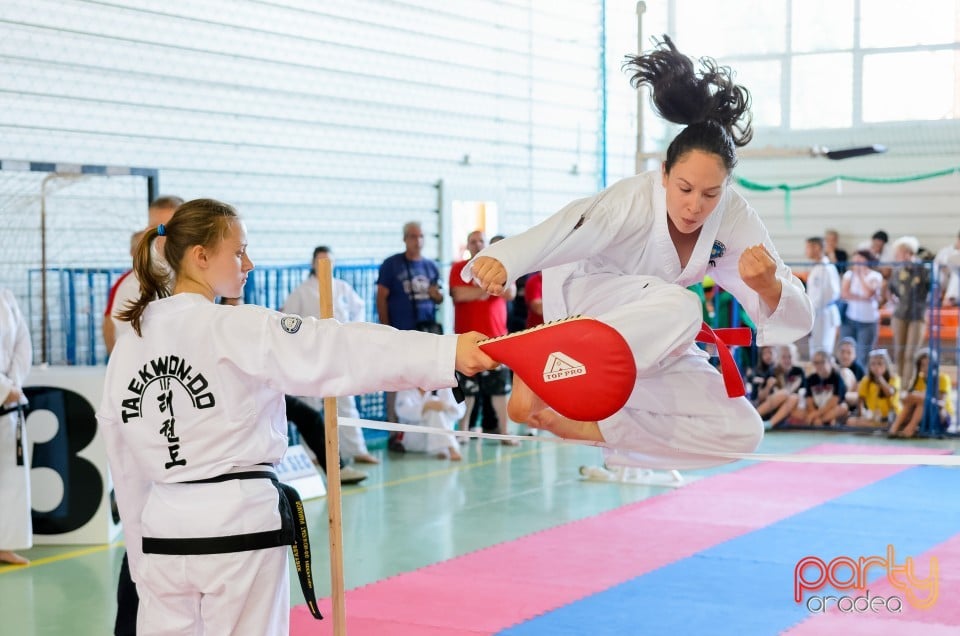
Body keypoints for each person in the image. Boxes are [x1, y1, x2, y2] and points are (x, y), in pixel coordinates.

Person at [97, 199, 496, 636]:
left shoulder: (131, 341)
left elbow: (124, 459)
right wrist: (443, 352)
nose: (248, 262)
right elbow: (335, 348)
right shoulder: (232, 326)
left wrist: (139, 556)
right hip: (238, 529)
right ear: (201, 256)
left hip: (163, 532)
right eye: (239, 251)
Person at [462, 36, 814, 469]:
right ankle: (553, 367)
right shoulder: (633, 198)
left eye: (710, 194)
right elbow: (570, 224)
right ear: (664, 174)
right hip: (587, 309)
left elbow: (791, 312)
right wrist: (508, 259)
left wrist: (770, 287)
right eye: (684, 188)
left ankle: (595, 426)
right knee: (684, 305)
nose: (694, 205)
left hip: (648, 339)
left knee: (742, 428)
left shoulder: (735, 216)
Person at [282, 246, 378, 464]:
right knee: (313, 405)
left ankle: (357, 449)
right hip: (312, 354)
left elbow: (359, 310)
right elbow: (288, 320)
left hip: (339, 352)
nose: (325, 264)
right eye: (320, 260)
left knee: (346, 403)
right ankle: (314, 453)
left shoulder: (343, 288)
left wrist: (353, 333)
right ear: (313, 263)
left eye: (329, 261)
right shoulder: (302, 291)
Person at [448, 230, 518, 444]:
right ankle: (464, 430)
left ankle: (504, 432)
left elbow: (510, 292)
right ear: (467, 246)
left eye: (481, 241)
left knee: (499, 389)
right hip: (467, 339)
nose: (477, 245)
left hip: (496, 337)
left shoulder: (498, 267)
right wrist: (486, 290)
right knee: (468, 389)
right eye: (473, 242)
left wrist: (481, 291)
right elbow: (459, 294)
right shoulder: (459, 269)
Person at [376, 221, 444, 430]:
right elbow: (381, 297)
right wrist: (386, 328)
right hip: (400, 331)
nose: (418, 241)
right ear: (405, 239)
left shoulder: (431, 266)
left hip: (424, 332)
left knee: (422, 377)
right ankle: (395, 427)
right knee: (395, 378)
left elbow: (439, 297)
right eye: (413, 237)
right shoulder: (392, 265)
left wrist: (436, 295)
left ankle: (423, 424)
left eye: (421, 236)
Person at [106, 196, 184, 355]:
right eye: (158, 229)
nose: (163, 236)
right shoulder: (133, 284)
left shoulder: (197, 271)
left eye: (171, 229)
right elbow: (121, 335)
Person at [0, 287, 32, 565]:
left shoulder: (6, 295)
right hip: (4, 393)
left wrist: (14, 383)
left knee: (10, 476)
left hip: (8, 402)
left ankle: (4, 544)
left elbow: (23, 342)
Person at [888, 236, 930, 383]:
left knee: (910, 354)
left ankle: (907, 386)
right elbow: (891, 289)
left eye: (899, 253)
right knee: (899, 351)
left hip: (917, 315)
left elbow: (931, 290)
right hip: (900, 314)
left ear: (908, 252)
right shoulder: (897, 271)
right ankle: (898, 385)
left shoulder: (924, 270)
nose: (897, 257)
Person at [887, 348, 954, 438]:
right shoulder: (918, 379)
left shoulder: (942, 378)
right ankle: (895, 429)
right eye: (923, 365)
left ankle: (908, 429)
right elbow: (907, 399)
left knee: (921, 400)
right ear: (919, 367)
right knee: (916, 401)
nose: (926, 368)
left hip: (940, 416)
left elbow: (942, 403)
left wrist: (923, 397)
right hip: (923, 414)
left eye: (929, 364)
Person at [394, 387, 466, 460]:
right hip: (415, 439)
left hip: (436, 436)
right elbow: (402, 411)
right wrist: (426, 407)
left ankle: (443, 447)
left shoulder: (444, 387)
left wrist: (446, 407)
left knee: (434, 406)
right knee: (433, 406)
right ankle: (450, 448)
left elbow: (460, 411)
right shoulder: (406, 389)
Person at [839, 249, 883, 367]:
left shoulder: (875, 276)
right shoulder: (849, 275)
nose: (857, 262)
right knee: (846, 350)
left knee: (863, 354)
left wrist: (861, 275)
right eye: (855, 259)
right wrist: (864, 298)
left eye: (860, 259)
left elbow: (868, 292)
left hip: (868, 321)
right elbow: (844, 294)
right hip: (850, 318)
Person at [804, 236, 841, 359]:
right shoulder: (818, 267)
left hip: (823, 314)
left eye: (808, 247)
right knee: (815, 349)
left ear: (817, 247)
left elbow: (825, 296)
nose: (806, 251)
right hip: (816, 313)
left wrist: (810, 313)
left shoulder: (826, 268)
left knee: (823, 350)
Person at [846, 349, 900, 429]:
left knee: (895, 421)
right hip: (874, 416)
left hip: (891, 415)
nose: (876, 367)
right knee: (850, 421)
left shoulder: (894, 378)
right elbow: (860, 399)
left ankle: (886, 426)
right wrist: (861, 415)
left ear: (886, 365)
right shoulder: (866, 380)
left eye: (880, 364)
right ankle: (881, 427)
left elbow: (890, 393)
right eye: (873, 364)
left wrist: (880, 379)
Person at [801, 350, 849, 427]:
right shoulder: (810, 379)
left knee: (843, 408)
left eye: (822, 362)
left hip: (831, 410)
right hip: (817, 409)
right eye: (816, 363)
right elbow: (809, 401)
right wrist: (814, 413)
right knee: (797, 411)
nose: (819, 365)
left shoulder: (837, 378)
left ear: (829, 362)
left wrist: (815, 415)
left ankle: (821, 421)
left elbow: (834, 402)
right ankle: (820, 421)